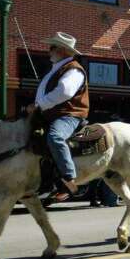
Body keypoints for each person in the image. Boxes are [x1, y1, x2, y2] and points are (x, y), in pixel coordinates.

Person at [31, 32, 89, 201]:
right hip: (49, 115)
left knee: (55, 137)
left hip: (69, 115)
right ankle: (43, 181)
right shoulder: (57, 69)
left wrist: (38, 106)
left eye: (52, 47)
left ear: (62, 50)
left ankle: (69, 180)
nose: (49, 51)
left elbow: (65, 92)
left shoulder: (74, 69)